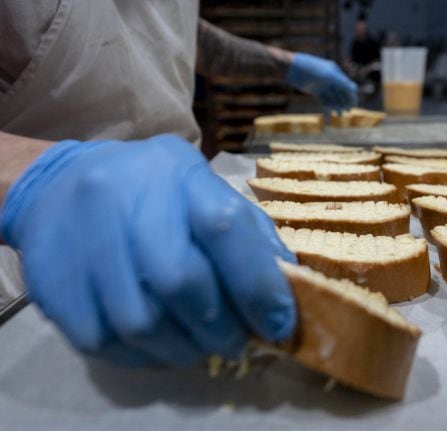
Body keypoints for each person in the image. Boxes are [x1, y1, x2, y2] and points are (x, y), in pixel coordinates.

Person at [0, 1, 357, 366]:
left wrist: (287, 64)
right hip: (33, 265)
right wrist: (40, 173)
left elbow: (176, 30)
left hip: (189, 214)